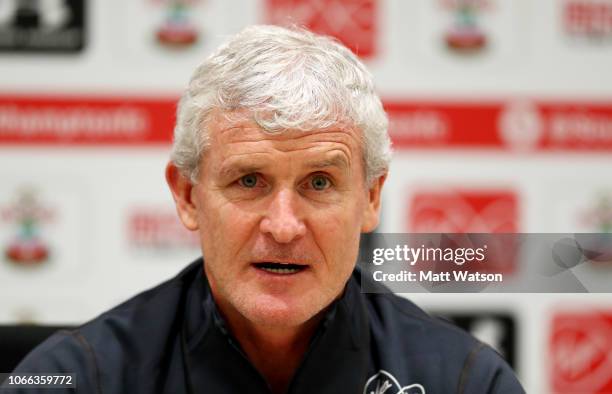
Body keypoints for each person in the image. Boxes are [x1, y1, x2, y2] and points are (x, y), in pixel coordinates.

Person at [7, 25, 525, 393]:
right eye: (249, 180)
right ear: (188, 195)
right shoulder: (76, 378)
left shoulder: (466, 381)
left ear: (370, 198)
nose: (282, 226)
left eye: (319, 182)